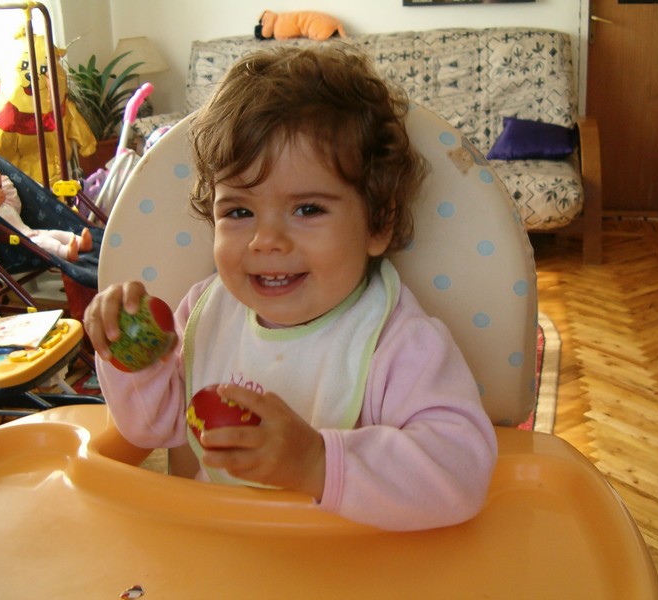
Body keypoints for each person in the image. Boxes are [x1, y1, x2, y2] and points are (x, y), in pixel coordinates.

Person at [84, 45, 497, 531]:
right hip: (220, 544)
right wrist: (133, 360)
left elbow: (461, 472)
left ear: (377, 224)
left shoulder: (398, 342)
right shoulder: (205, 312)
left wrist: (318, 462)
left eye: (307, 209)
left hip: (346, 555)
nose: (267, 240)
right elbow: (150, 427)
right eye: (239, 211)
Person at [0, 161, 92, 262]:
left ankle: (80, 242)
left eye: (0, 185)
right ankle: (65, 252)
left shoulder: (4, 204)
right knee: (45, 243)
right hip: (18, 242)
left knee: (54, 234)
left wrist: (5, 188)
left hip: (29, 231)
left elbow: (17, 206)